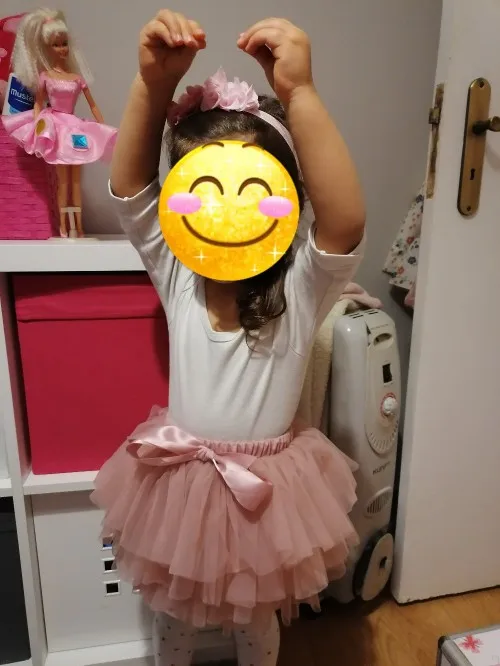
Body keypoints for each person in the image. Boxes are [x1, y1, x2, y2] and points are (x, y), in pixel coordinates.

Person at [91, 10, 366, 666]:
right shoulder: (177, 272)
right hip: (181, 483)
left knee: (258, 617)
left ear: (284, 197)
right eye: (207, 191)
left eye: (250, 191)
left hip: (267, 489)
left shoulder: (302, 284)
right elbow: (130, 192)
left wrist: (300, 94)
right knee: (174, 615)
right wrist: (152, 86)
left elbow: (345, 223)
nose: (226, 210)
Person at [1, 8, 117, 237]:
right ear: (47, 48)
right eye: (56, 45)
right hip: (57, 129)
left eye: (64, 43)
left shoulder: (77, 78)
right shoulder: (45, 77)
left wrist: (102, 127)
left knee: (75, 182)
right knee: (63, 181)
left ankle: (78, 226)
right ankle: (64, 225)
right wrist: (37, 126)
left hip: (75, 129)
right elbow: (39, 103)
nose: (62, 49)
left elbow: (93, 105)